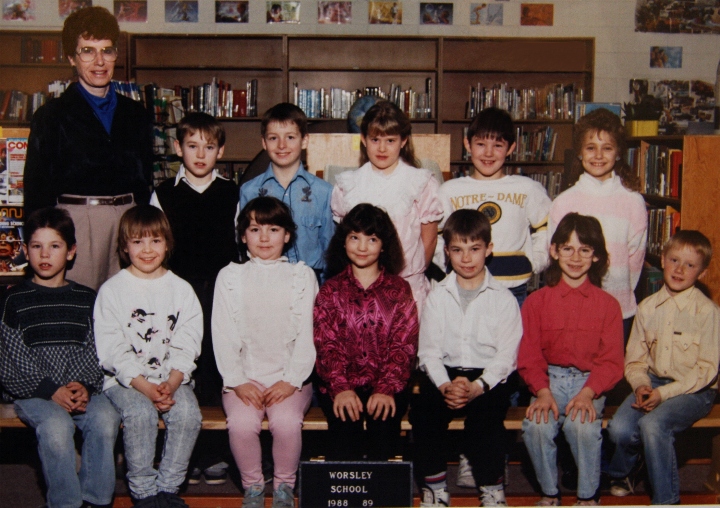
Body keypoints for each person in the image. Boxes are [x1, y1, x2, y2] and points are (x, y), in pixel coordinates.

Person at [23, 6, 154, 291]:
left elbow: (145, 182)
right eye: (87, 51)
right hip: (77, 226)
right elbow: (36, 191)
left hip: (128, 224)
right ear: (71, 57)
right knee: (78, 307)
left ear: (116, 54)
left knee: (129, 307)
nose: (99, 61)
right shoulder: (50, 116)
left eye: (107, 50)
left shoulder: (137, 114)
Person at [0, 207, 121, 508]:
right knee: (57, 427)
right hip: (34, 393)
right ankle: (65, 503)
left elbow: (94, 349)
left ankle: (95, 500)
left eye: (55, 246)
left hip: (79, 390)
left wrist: (83, 384)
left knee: (106, 418)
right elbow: (11, 361)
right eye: (37, 246)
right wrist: (50, 389)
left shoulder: (86, 298)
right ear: (25, 250)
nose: (45, 254)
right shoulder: (14, 300)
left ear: (71, 251)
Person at [410, 209, 521, 507]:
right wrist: (446, 385)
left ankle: (492, 488)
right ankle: (435, 488)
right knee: (423, 414)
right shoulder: (438, 296)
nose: (467, 258)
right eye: (458, 250)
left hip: (487, 377)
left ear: (489, 249)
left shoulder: (503, 298)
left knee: (486, 421)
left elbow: (507, 357)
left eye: (474, 249)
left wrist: (477, 387)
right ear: (447, 252)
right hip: (444, 374)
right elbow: (428, 352)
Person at [94, 205, 203, 508]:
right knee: (141, 414)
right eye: (137, 241)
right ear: (124, 246)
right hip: (126, 382)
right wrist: (145, 387)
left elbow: (187, 342)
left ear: (167, 244)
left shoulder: (181, 289)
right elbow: (112, 348)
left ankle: (168, 490)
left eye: (155, 240)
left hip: (171, 379)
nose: (147, 249)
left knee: (188, 414)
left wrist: (172, 382)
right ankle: (143, 492)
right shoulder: (112, 290)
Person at [212, 196, 317, 508]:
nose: (264, 238)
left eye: (273, 229)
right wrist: (237, 380)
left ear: (287, 235)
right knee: (242, 424)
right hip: (245, 378)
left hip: (290, 378)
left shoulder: (302, 276)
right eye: (255, 229)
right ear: (243, 236)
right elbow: (223, 333)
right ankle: (253, 487)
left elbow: (309, 335)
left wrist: (291, 380)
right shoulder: (230, 276)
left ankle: (284, 487)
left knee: (286, 423)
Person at [150, 112, 237, 485]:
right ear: (177, 147)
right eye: (192, 146)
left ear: (221, 151)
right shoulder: (163, 193)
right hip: (176, 293)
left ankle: (214, 452)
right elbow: (154, 246)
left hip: (220, 291)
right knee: (177, 367)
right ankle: (176, 453)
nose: (200, 155)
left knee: (216, 367)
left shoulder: (233, 193)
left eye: (209, 147)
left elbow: (241, 246)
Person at [606, 230, 719, 505]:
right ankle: (625, 472)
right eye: (674, 260)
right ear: (663, 260)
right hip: (654, 382)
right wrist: (641, 385)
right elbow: (635, 360)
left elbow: (707, 370)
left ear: (702, 273)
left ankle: (666, 501)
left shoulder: (707, 312)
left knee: (653, 425)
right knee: (619, 429)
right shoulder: (647, 308)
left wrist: (664, 395)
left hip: (695, 390)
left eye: (690, 265)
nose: (679, 269)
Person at [518, 213, 624, 506]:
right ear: (554, 251)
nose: (575, 258)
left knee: (582, 427)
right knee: (536, 427)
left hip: (588, 383)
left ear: (596, 256)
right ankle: (549, 493)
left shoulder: (608, 305)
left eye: (584, 250)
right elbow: (529, 355)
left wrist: (588, 393)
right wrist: (542, 391)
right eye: (568, 248)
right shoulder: (536, 302)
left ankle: (588, 497)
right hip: (547, 381)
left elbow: (611, 361)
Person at [314, 203, 419, 462]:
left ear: (384, 245)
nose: (362, 247)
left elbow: (404, 345)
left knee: (382, 430)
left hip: (387, 384)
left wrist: (385, 388)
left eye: (372, 239)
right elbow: (326, 345)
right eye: (354, 238)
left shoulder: (399, 290)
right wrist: (341, 388)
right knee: (344, 432)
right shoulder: (330, 291)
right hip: (340, 385)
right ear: (343, 242)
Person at [331, 100, 443, 312]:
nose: (382, 148)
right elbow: (344, 242)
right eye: (375, 140)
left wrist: (408, 275)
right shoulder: (348, 184)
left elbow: (429, 240)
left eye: (390, 140)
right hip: (361, 288)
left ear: (403, 141)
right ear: (363, 139)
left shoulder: (420, 182)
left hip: (408, 286)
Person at [437, 107, 551, 306]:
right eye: (480, 144)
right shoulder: (449, 190)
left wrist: (536, 261)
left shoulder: (527, 188)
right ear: (467, 144)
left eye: (498, 145)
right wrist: (447, 263)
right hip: (464, 286)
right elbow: (436, 235)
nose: (488, 153)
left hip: (512, 286)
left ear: (511, 148)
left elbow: (548, 228)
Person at [549, 108, 647, 339]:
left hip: (619, 308)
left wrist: (619, 294)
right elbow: (556, 256)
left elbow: (635, 260)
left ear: (619, 153)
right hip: (572, 308)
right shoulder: (564, 202)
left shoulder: (633, 201)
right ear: (580, 152)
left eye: (607, 148)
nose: (599, 155)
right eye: (591, 148)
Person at [240, 103, 334, 283]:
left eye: (290, 137)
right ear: (264, 142)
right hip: (263, 281)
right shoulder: (249, 191)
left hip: (311, 283)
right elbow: (244, 244)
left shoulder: (324, 191)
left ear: (304, 140)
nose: (282, 145)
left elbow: (329, 250)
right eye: (273, 138)